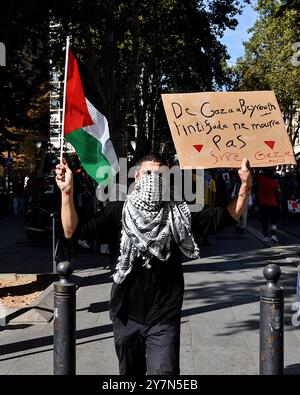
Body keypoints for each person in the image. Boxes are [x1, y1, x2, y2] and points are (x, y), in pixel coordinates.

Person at [55, 153, 252, 375]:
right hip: (126, 314)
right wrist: (66, 192)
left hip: (164, 316)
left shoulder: (181, 213)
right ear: (137, 176)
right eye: (148, 174)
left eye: (160, 175)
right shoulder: (117, 212)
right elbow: (73, 230)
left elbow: (228, 216)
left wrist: (245, 184)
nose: (153, 179)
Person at [256, 168, 280, 243]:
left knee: (264, 221)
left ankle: (265, 236)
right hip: (273, 203)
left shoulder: (261, 179)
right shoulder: (274, 182)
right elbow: (278, 192)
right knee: (273, 221)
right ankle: (274, 236)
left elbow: (256, 174)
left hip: (262, 203)